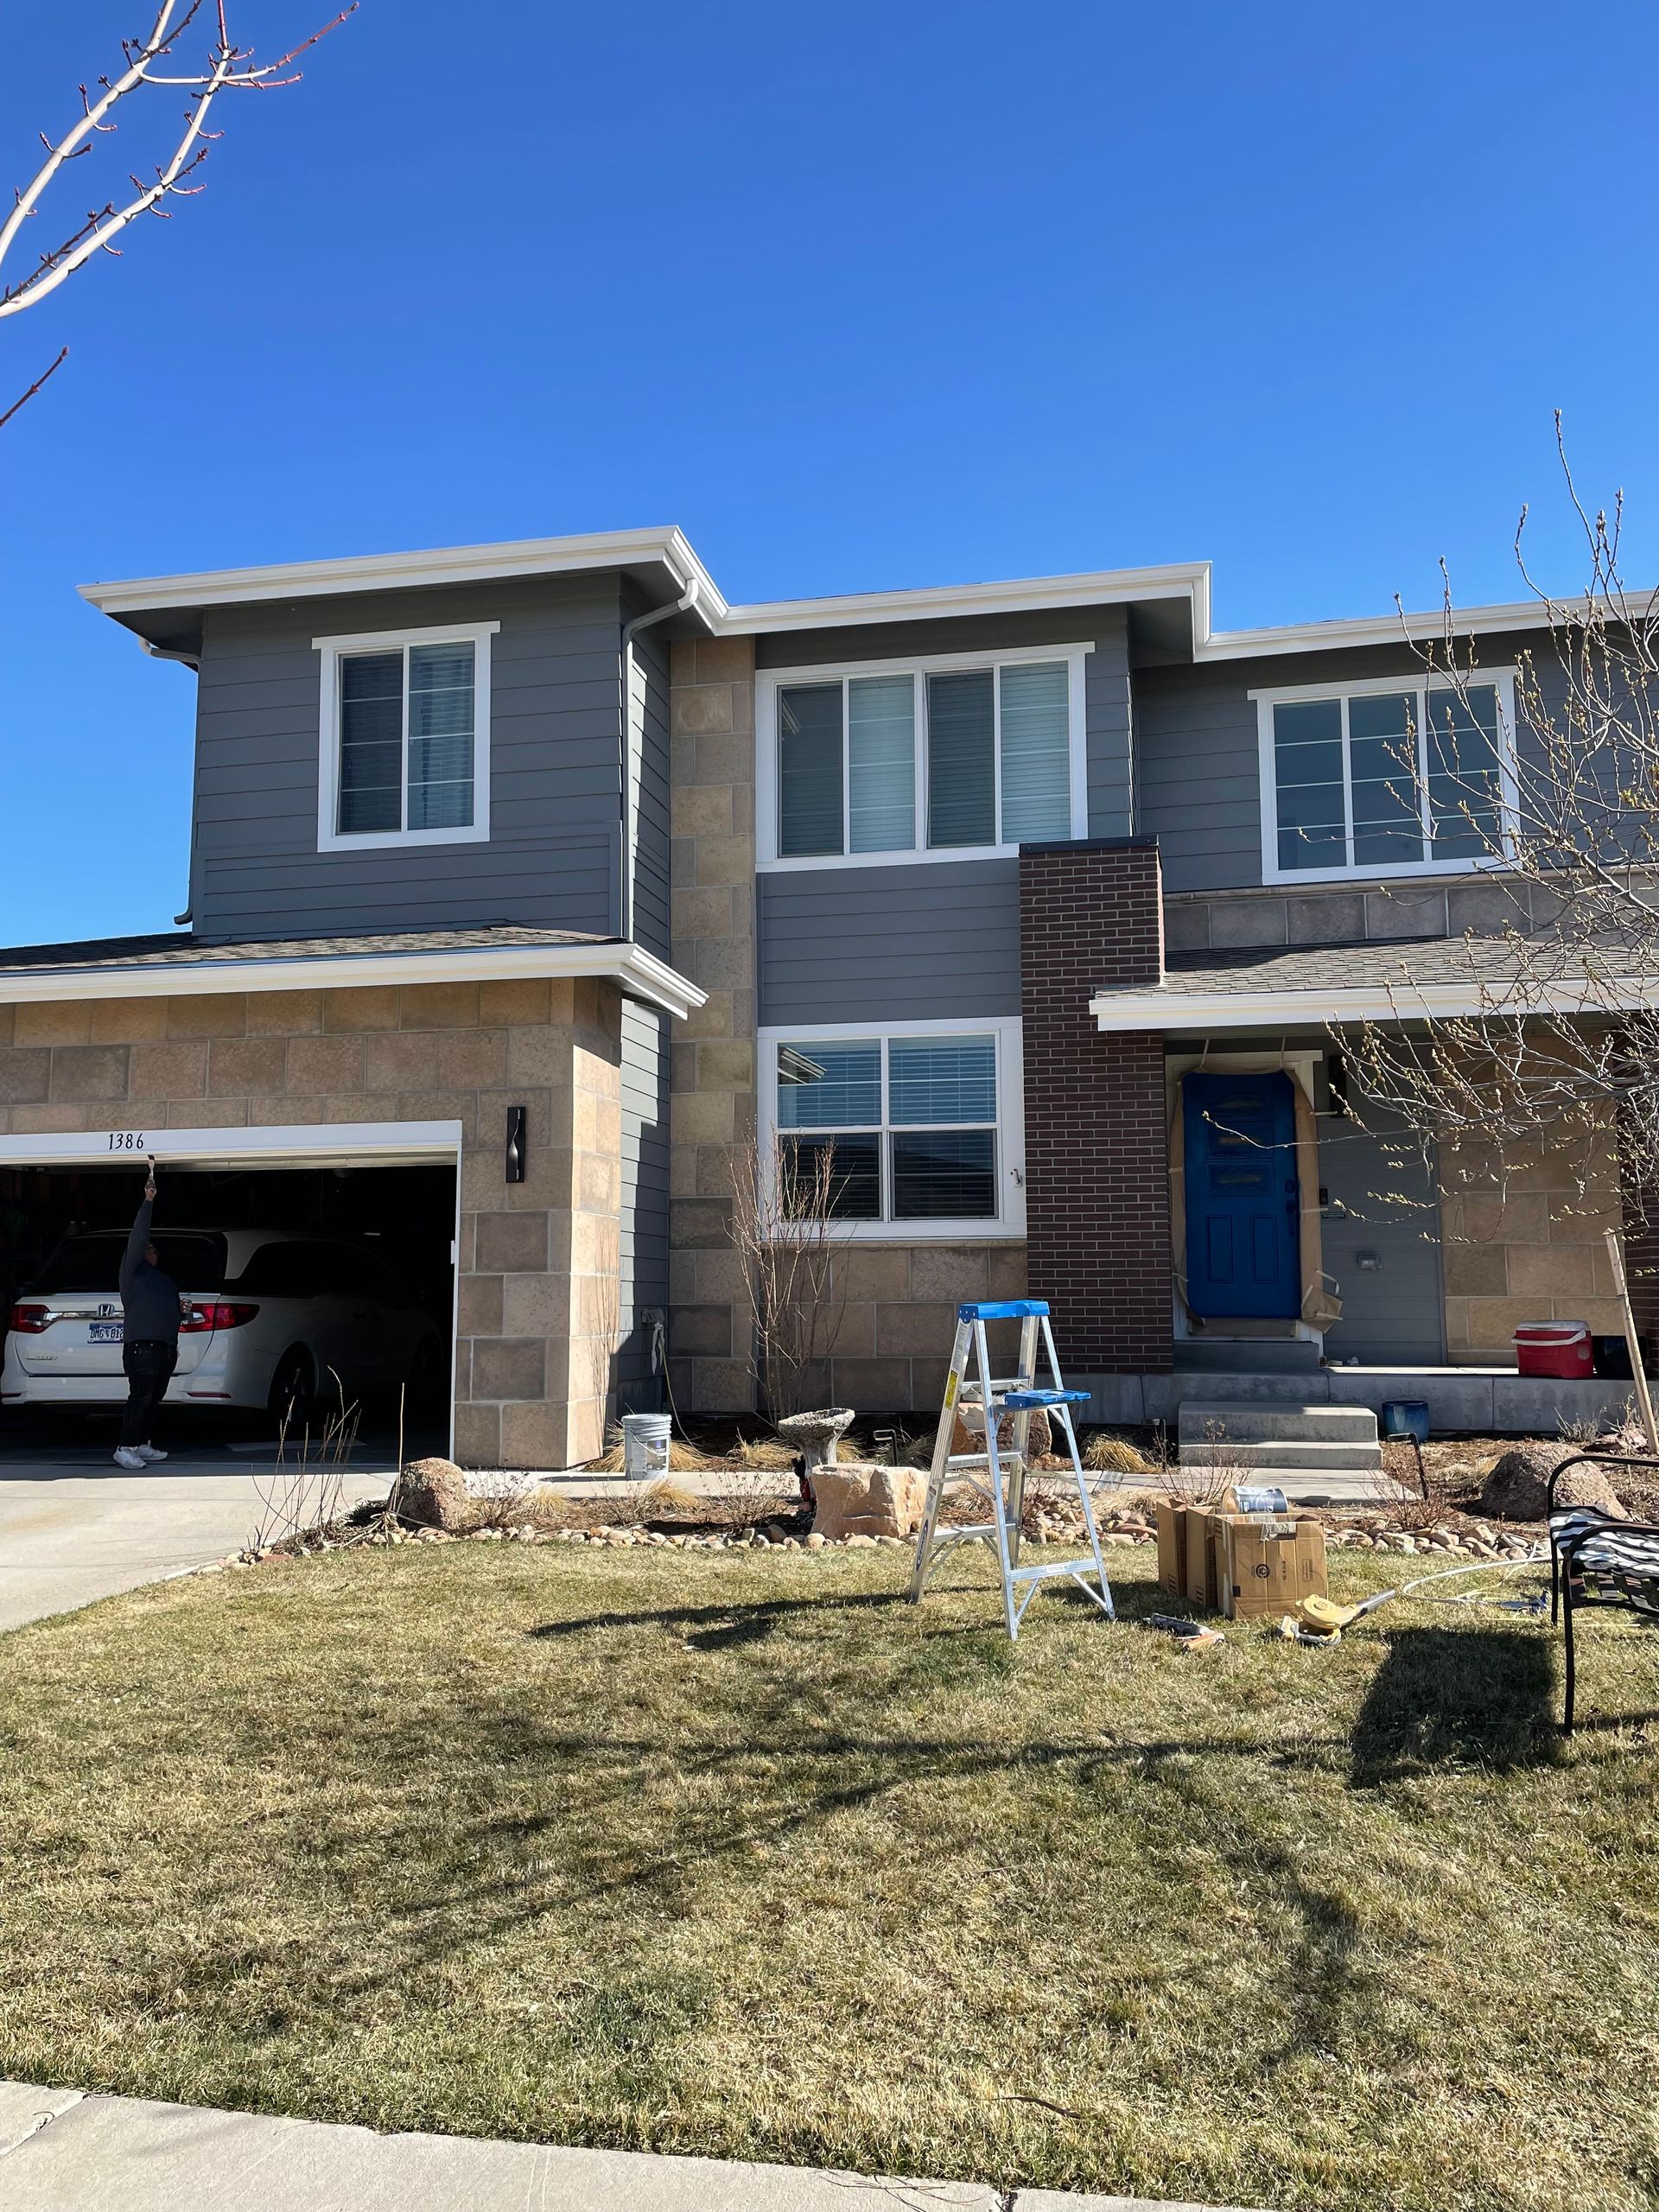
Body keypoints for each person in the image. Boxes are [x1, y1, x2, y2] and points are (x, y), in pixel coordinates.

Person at [114, 1164, 181, 1471]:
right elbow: (138, 1237)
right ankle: (125, 1447)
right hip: (142, 1346)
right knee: (139, 1397)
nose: (151, 1250)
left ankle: (141, 1443)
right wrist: (148, 1202)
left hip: (164, 1346)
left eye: (155, 1248)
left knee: (152, 1399)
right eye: (148, 1248)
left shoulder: (163, 1279)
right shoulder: (133, 1272)